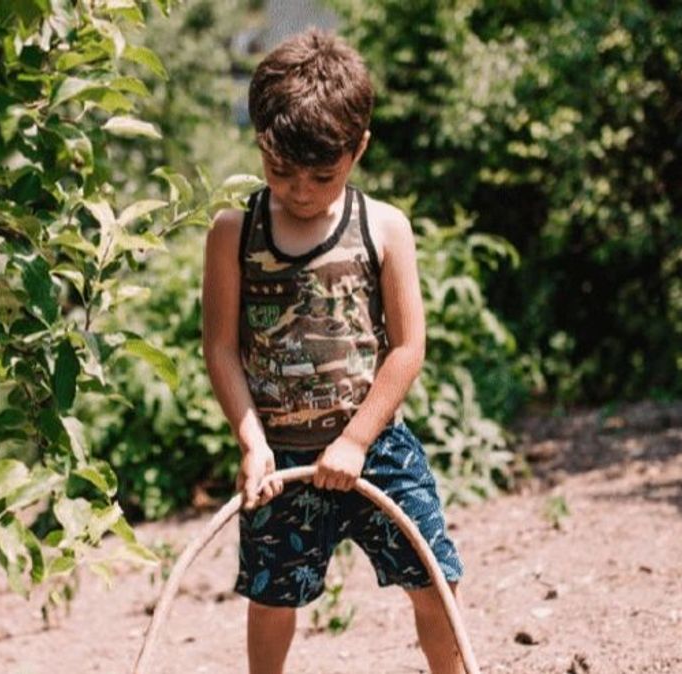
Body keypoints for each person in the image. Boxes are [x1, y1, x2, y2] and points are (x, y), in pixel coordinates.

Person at [201, 29, 465, 674]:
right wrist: (251, 441)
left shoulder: (384, 228)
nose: (299, 189)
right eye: (280, 171)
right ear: (260, 144)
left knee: (436, 582)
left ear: (359, 149)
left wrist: (355, 440)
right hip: (280, 459)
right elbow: (220, 347)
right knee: (270, 598)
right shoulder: (235, 233)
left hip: (375, 449)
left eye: (322, 174)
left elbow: (406, 348)